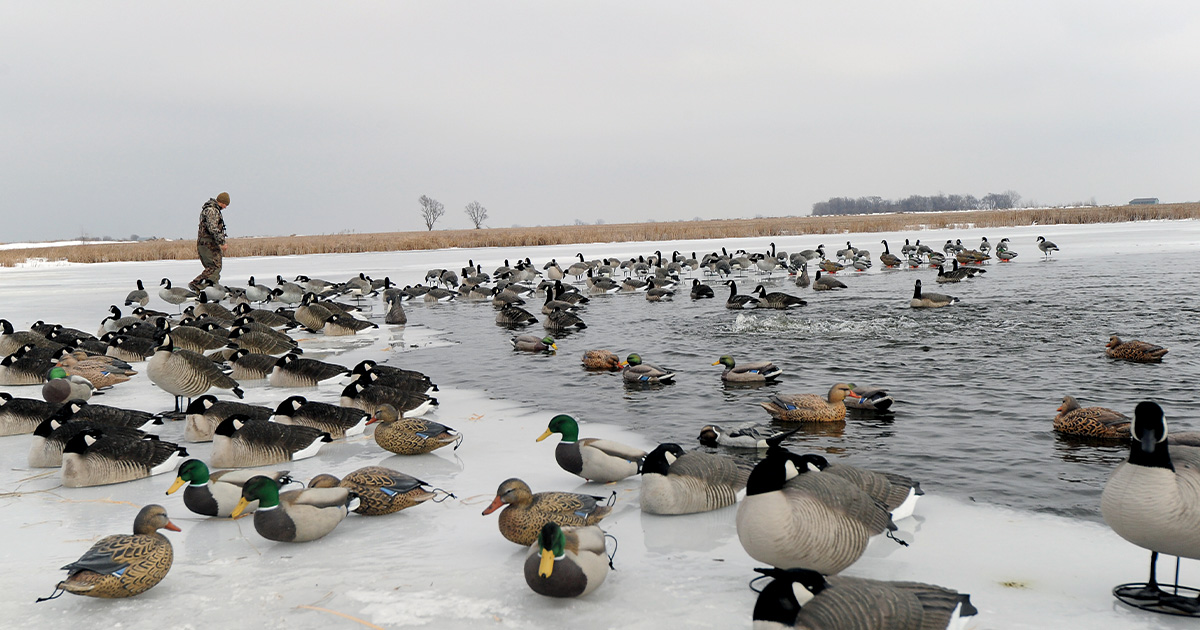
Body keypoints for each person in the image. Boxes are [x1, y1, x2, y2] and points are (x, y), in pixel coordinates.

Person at [190, 192, 230, 292]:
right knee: (214, 267)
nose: (225, 207)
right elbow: (213, 228)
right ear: (222, 202)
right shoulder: (212, 211)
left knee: (213, 268)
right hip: (208, 244)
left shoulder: (209, 209)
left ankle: (212, 289)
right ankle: (197, 284)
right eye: (225, 204)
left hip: (206, 243)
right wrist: (222, 242)